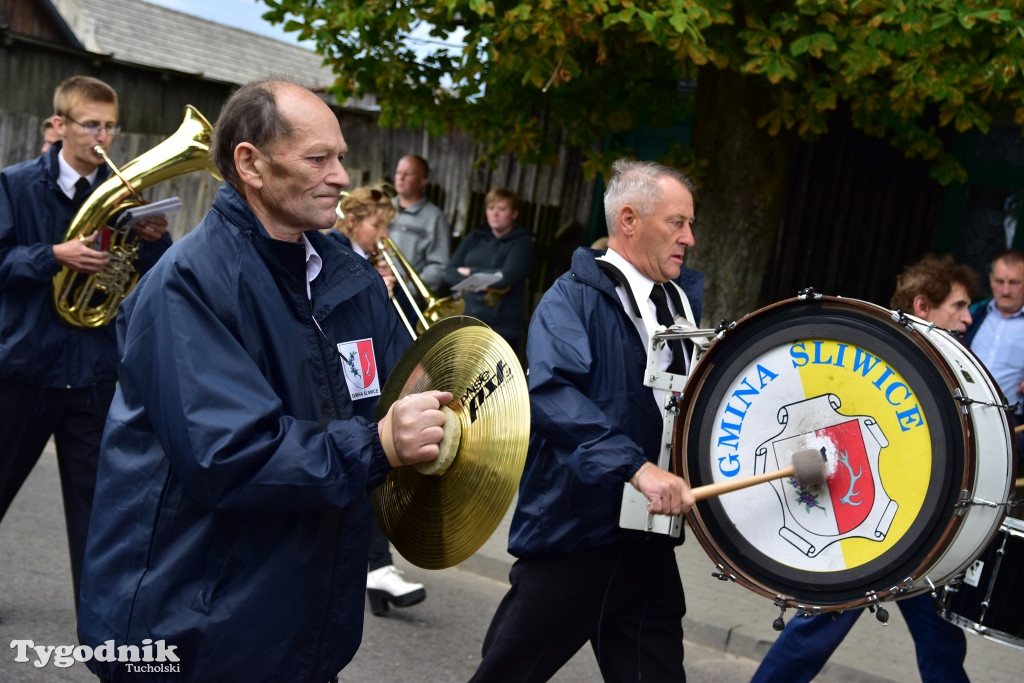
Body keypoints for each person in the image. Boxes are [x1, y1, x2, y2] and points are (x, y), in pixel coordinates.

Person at [76, 79, 451, 681]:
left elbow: (405, 378)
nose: (339, 177)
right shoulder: (188, 282)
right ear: (250, 163)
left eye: (341, 159)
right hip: (195, 623)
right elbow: (230, 455)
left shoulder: (347, 273)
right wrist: (379, 444)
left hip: (300, 618)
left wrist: (443, 400)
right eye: (317, 158)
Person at [470, 159, 702, 682]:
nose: (689, 237)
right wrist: (637, 468)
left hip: (647, 545)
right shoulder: (570, 298)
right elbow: (553, 395)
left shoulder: (679, 303)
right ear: (628, 220)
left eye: (691, 224)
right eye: (677, 222)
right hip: (575, 539)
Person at [752, 253, 978, 683]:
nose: (968, 319)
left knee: (940, 640)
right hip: (872, 529)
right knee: (815, 632)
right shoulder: (882, 365)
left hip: (925, 531)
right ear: (922, 307)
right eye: (959, 306)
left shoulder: (949, 371)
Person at [0, 75, 170, 609]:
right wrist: (53, 255)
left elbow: (150, 278)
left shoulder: (123, 196)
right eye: (91, 124)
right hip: (23, 367)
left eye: (110, 126)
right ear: (59, 126)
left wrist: (155, 240)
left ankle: (101, 618)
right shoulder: (14, 185)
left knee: (97, 507)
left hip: (93, 372)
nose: (102, 137)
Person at [330, 186, 429, 615]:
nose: (383, 235)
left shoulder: (363, 260)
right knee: (368, 450)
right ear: (352, 221)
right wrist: (375, 288)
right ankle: (374, 564)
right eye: (377, 225)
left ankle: (375, 565)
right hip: (351, 359)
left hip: (367, 358)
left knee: (374, 457)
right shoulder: (336, 250)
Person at [442, 188, 535, 348]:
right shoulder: (475, 237)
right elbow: (449, 274)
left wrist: (470, 272)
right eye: (491, 208)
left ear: (514, 213)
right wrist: (487, 283)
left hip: (500, 326)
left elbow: (505, 277)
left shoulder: (523, 243)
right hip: (465, 318)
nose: (495, 214)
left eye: (502, 209)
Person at [963, 249, 1024, 457]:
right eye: (999, 281)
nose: (1005, 290)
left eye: (1014, 282)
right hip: (962, 411)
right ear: (990, 280)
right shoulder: (972, 314)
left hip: (1008, 424)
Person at [389, 154, 450, 296]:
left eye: (408, 174)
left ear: (422, 182)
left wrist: (405, 291)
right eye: (398, 172)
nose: (400, 178)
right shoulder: (383, 208)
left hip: (406, 299)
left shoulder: (435, 218)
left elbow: (438, 266)